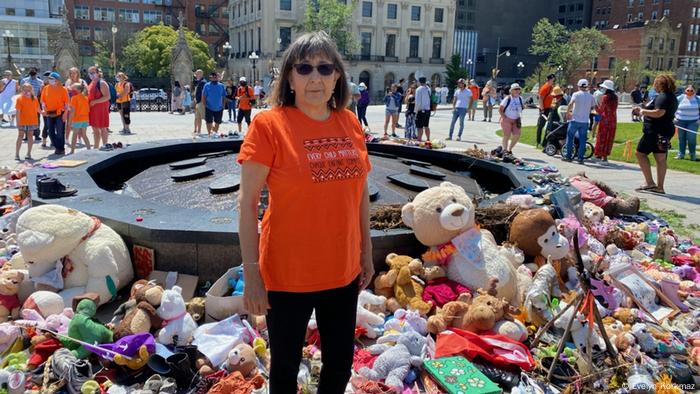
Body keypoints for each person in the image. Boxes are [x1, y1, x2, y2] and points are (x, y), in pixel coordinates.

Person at [238, 31, 372, 394]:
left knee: (340, 365)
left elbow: (360, 195)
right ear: (290, 77)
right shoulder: (268, 125)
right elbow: (248, 204)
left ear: (337, 77)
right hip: (287, 274)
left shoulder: (350, 123)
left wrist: (366, 252)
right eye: (305, 67)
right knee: (283, 369)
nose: (316, 77)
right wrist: (251, 274)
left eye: (325, 68)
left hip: (342, 272)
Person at [632, 75, 678, 194]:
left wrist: (643, 111)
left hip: (654, 131)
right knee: (661, 158)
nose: (654, 85)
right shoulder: (672, 97)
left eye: (655, 83)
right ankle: (660, 187)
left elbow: (659, 113)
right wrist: (644, 109)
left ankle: (649, 182)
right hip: (664, 131)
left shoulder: (663, 97)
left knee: (640, 153)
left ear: (660, 84)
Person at [563, 79, 595, 164]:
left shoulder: (576, 94)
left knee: (570, 137)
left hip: (575, 119)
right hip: (584, 121)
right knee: (583, 140)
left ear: (579, 86)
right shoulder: (590, 96)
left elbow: (571, 103)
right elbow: (593, 107)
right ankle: (580, 158)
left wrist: (567, 113)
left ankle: (569, 156)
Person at [40, 72, 69, 155]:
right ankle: (57, 146)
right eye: (49, 78)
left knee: (60, 131)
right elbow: (43, 100)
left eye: (52, 79)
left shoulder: (63, 89)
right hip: (49, 113)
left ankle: (61, 148)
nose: (50, 80)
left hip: (60, 112)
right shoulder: (46, 88)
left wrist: (65, 113)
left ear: (57, 80)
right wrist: (43, 109)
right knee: (50, 131)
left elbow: (67, 103)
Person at [594, 80, 618, 162]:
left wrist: (595, 107)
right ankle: (605, 156)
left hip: (605, 119)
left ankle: (599, 154)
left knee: (602, 137)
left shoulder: (605, 97)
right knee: (609, 138)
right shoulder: (616, 98)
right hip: (613, 120)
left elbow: (601, 110)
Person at [87, 66, 111, 149]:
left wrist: (94, 102)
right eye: (90, 73)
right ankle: (96, 147)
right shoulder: (91, 83)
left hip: (101, 109)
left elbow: (107, 97)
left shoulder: (102, 83)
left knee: (103, 128)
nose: (91, 74)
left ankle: (105, 145)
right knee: (95, 129)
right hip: (93, 109)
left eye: (93, 72)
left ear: (98, 73)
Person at [674, 84, 699, 161]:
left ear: (694, 91)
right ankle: (681, 154)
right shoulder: (680, 98)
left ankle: (692, 154)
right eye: (688, 90)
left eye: (691, 90)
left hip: (693, 122)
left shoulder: (698, 99)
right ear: (685, 91)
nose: (690, 92)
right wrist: (674, 117)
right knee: (681, 138)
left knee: (691, 138)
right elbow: (673, 107)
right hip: (680, 121)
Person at [14, 83, 39, 160]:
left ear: (31, 90)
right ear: (22, 90)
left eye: (28, 90)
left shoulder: (35, 98)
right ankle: (17, 154)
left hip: (32, 121)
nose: (27, 91)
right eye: (25, 90)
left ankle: (28, 153)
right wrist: (18, 123)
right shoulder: (19, 99)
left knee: (30, 136)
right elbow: (18, 112)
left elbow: (38, 109)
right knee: (20, 136)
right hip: (22, 121)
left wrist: (44, 113)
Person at [498, 83, 524, 154]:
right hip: (507, 119)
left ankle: (510, 149)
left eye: (518, 89)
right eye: (515, 89)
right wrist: (504, 117)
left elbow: (521, 108)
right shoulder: (508, 98)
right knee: (507, 135)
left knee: (517, 135)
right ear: (511, 90)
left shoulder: (520, 98)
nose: (517, 90)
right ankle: (505, 150)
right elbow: (500, 109)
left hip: (516, 120)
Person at [64, 67, 88, 140]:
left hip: (79, 105)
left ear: (78, 73)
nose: (72, 74)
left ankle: (79, 138)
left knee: (80, 122)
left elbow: (86, 93)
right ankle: (66, 139)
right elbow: (65, 93)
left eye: (74, 73)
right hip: (70, 105)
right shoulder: (68, 81)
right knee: (69, 122)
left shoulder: (82, 82)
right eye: (71, 73)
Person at [68, 83, 91, 154]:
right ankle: (89, 149)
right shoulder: (86, 97)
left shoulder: (74, 98)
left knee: (74, 135)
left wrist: (70, 121)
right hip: (85, 119)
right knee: (84, 135)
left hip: (77, 119)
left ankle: (72, 151)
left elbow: (72, 111)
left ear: (78, 90)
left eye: (73, 88)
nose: (71, 90)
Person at [21, 67, 43, 141]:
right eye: (32, 74)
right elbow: (22, 91)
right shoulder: (24, 81)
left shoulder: (40, 82)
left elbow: (40, 92)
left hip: (35, 101)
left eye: (34, 74)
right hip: (26, 101)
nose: (33, 76)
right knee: (26, 118)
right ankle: (27, 135)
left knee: (36, 118)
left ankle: (36, 134)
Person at [202, 72, 226, 137]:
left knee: (218, 122)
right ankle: (210, 134)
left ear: (217, 78)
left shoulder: (221, 86)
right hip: (208, 107)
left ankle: (214, 133)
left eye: (215, 77)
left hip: (219, 107)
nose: (214, 78)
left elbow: (224, 96)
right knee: (209, 121)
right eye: (213, 77)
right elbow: (203, 96)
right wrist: (204, 105)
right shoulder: (206, 85)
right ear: (210, 78)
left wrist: (223, 105)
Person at [536, 74, 556, 146]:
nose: (554, 80)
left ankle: (544, 142)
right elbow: (540, 98)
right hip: (544, 109)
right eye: (553, 79)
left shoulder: (551, 87)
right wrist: (542, 109)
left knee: (547, 126)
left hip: (549, 108)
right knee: (541, 125)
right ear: (551, 79)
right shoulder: (545, 87)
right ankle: (538, 141)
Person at [415, 77, 431, 141]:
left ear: (419, 81)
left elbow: (417, 102)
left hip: (421, 110)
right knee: (426, 126)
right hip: (428, 110)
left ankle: (419, 140)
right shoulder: (428, 88)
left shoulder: (419, 89)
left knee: (419, 127)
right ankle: (428, 139)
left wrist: (416, 111)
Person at [192, 69, 206, 135]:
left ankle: (212, 130)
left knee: (205, 117)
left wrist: (202, 101)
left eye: (197, 74)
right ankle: (198, 131)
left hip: (201, 102)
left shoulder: (203, 82)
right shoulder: (199, 81)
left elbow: (204, 93)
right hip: (198, 102)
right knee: (198, 117)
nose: (196, 75)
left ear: (201, 74)